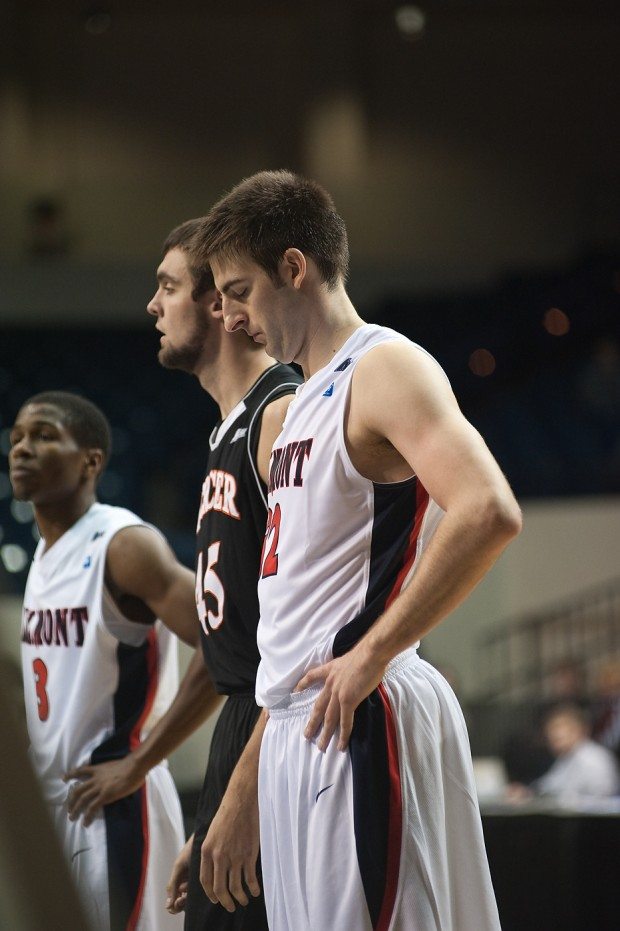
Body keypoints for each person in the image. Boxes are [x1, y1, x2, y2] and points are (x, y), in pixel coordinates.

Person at [191, 170, 523, 931]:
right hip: (295, 725)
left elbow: (488, 509)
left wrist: (375, 651)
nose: (231, 316)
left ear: (294, 268)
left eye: (239, 291)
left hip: (358, 715)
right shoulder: (300, 400)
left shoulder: (383, 367)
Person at [9, 390, 221, 931]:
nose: (22, 450)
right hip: (63, 803)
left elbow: (229, 642)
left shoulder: (123, 545)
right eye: (16, 439)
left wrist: (140, 761)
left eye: (44, 436)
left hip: (119, 808)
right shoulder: (44, 551)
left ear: (91, 461)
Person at [147, 219, 301, 928]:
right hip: (243, 730)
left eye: (168, 286)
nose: (153, 305)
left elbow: (310, 628)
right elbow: (233, 637)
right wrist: (212, 809)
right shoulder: (226, 428)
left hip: (281, 728)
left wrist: (241, 795)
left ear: (219, 305)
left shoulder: (279, 414)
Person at [512, 704, 620, 802]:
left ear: (578, 730)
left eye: (559, 734)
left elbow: (602, 799)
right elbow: (549, 786)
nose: (552, 739)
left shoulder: (593, 758)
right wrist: (527, 792)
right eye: (551, 734)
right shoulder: (567, 757)